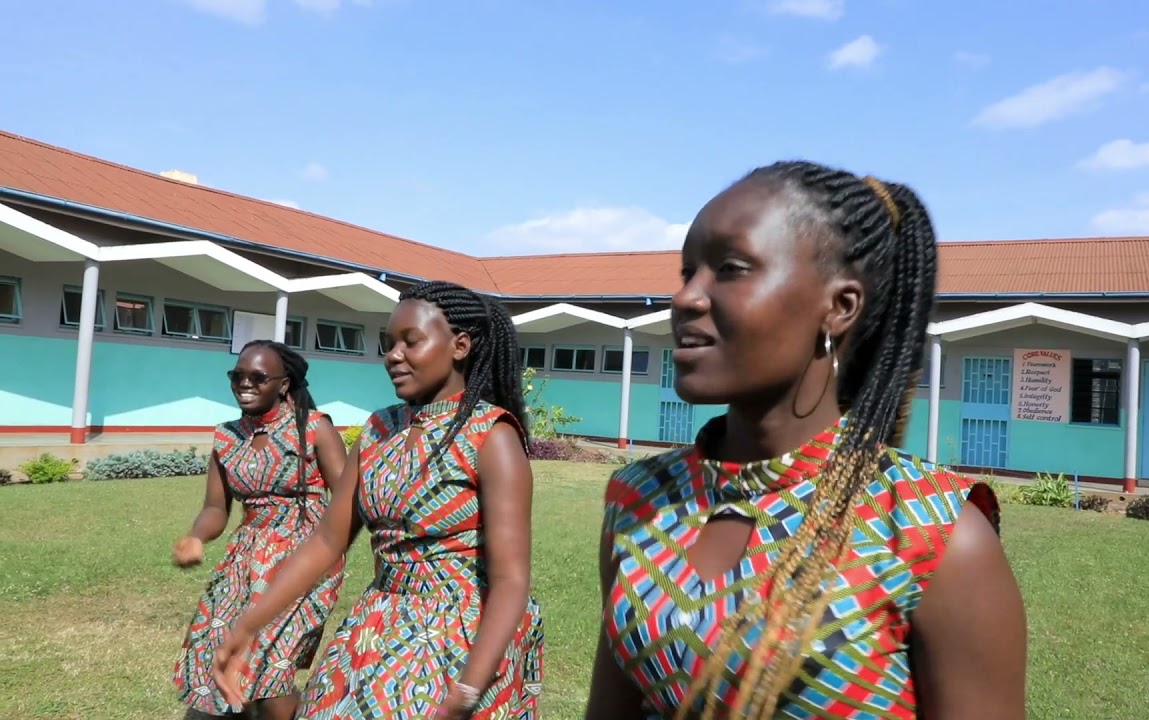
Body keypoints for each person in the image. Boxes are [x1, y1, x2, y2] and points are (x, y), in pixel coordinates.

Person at [584, 161, 1027, 720]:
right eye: (688, 271)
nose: (686, 298)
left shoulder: (932, 533)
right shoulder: (640, 499)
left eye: (730, 268)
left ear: (839, 307)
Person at [212, 280, 544, 720]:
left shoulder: (491, 436)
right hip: (378, 620)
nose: (393, 355)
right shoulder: (378, 430)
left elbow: (511, 582)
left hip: (465, 636)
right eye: (389, 344)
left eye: (412, 341)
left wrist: (466, 693)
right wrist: (249, 625)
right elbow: (327, 541)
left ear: (460, 345)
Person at [173, 340, 348, 720]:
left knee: (270, 666)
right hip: (245, 558)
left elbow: (347, 501)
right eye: (237, 376)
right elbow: (216, 508)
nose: (244, 384)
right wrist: (195, 537)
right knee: (212, 648)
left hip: (306, 557)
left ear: (284, 384)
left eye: (257, 377)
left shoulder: (315, 429)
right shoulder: (226, 436)